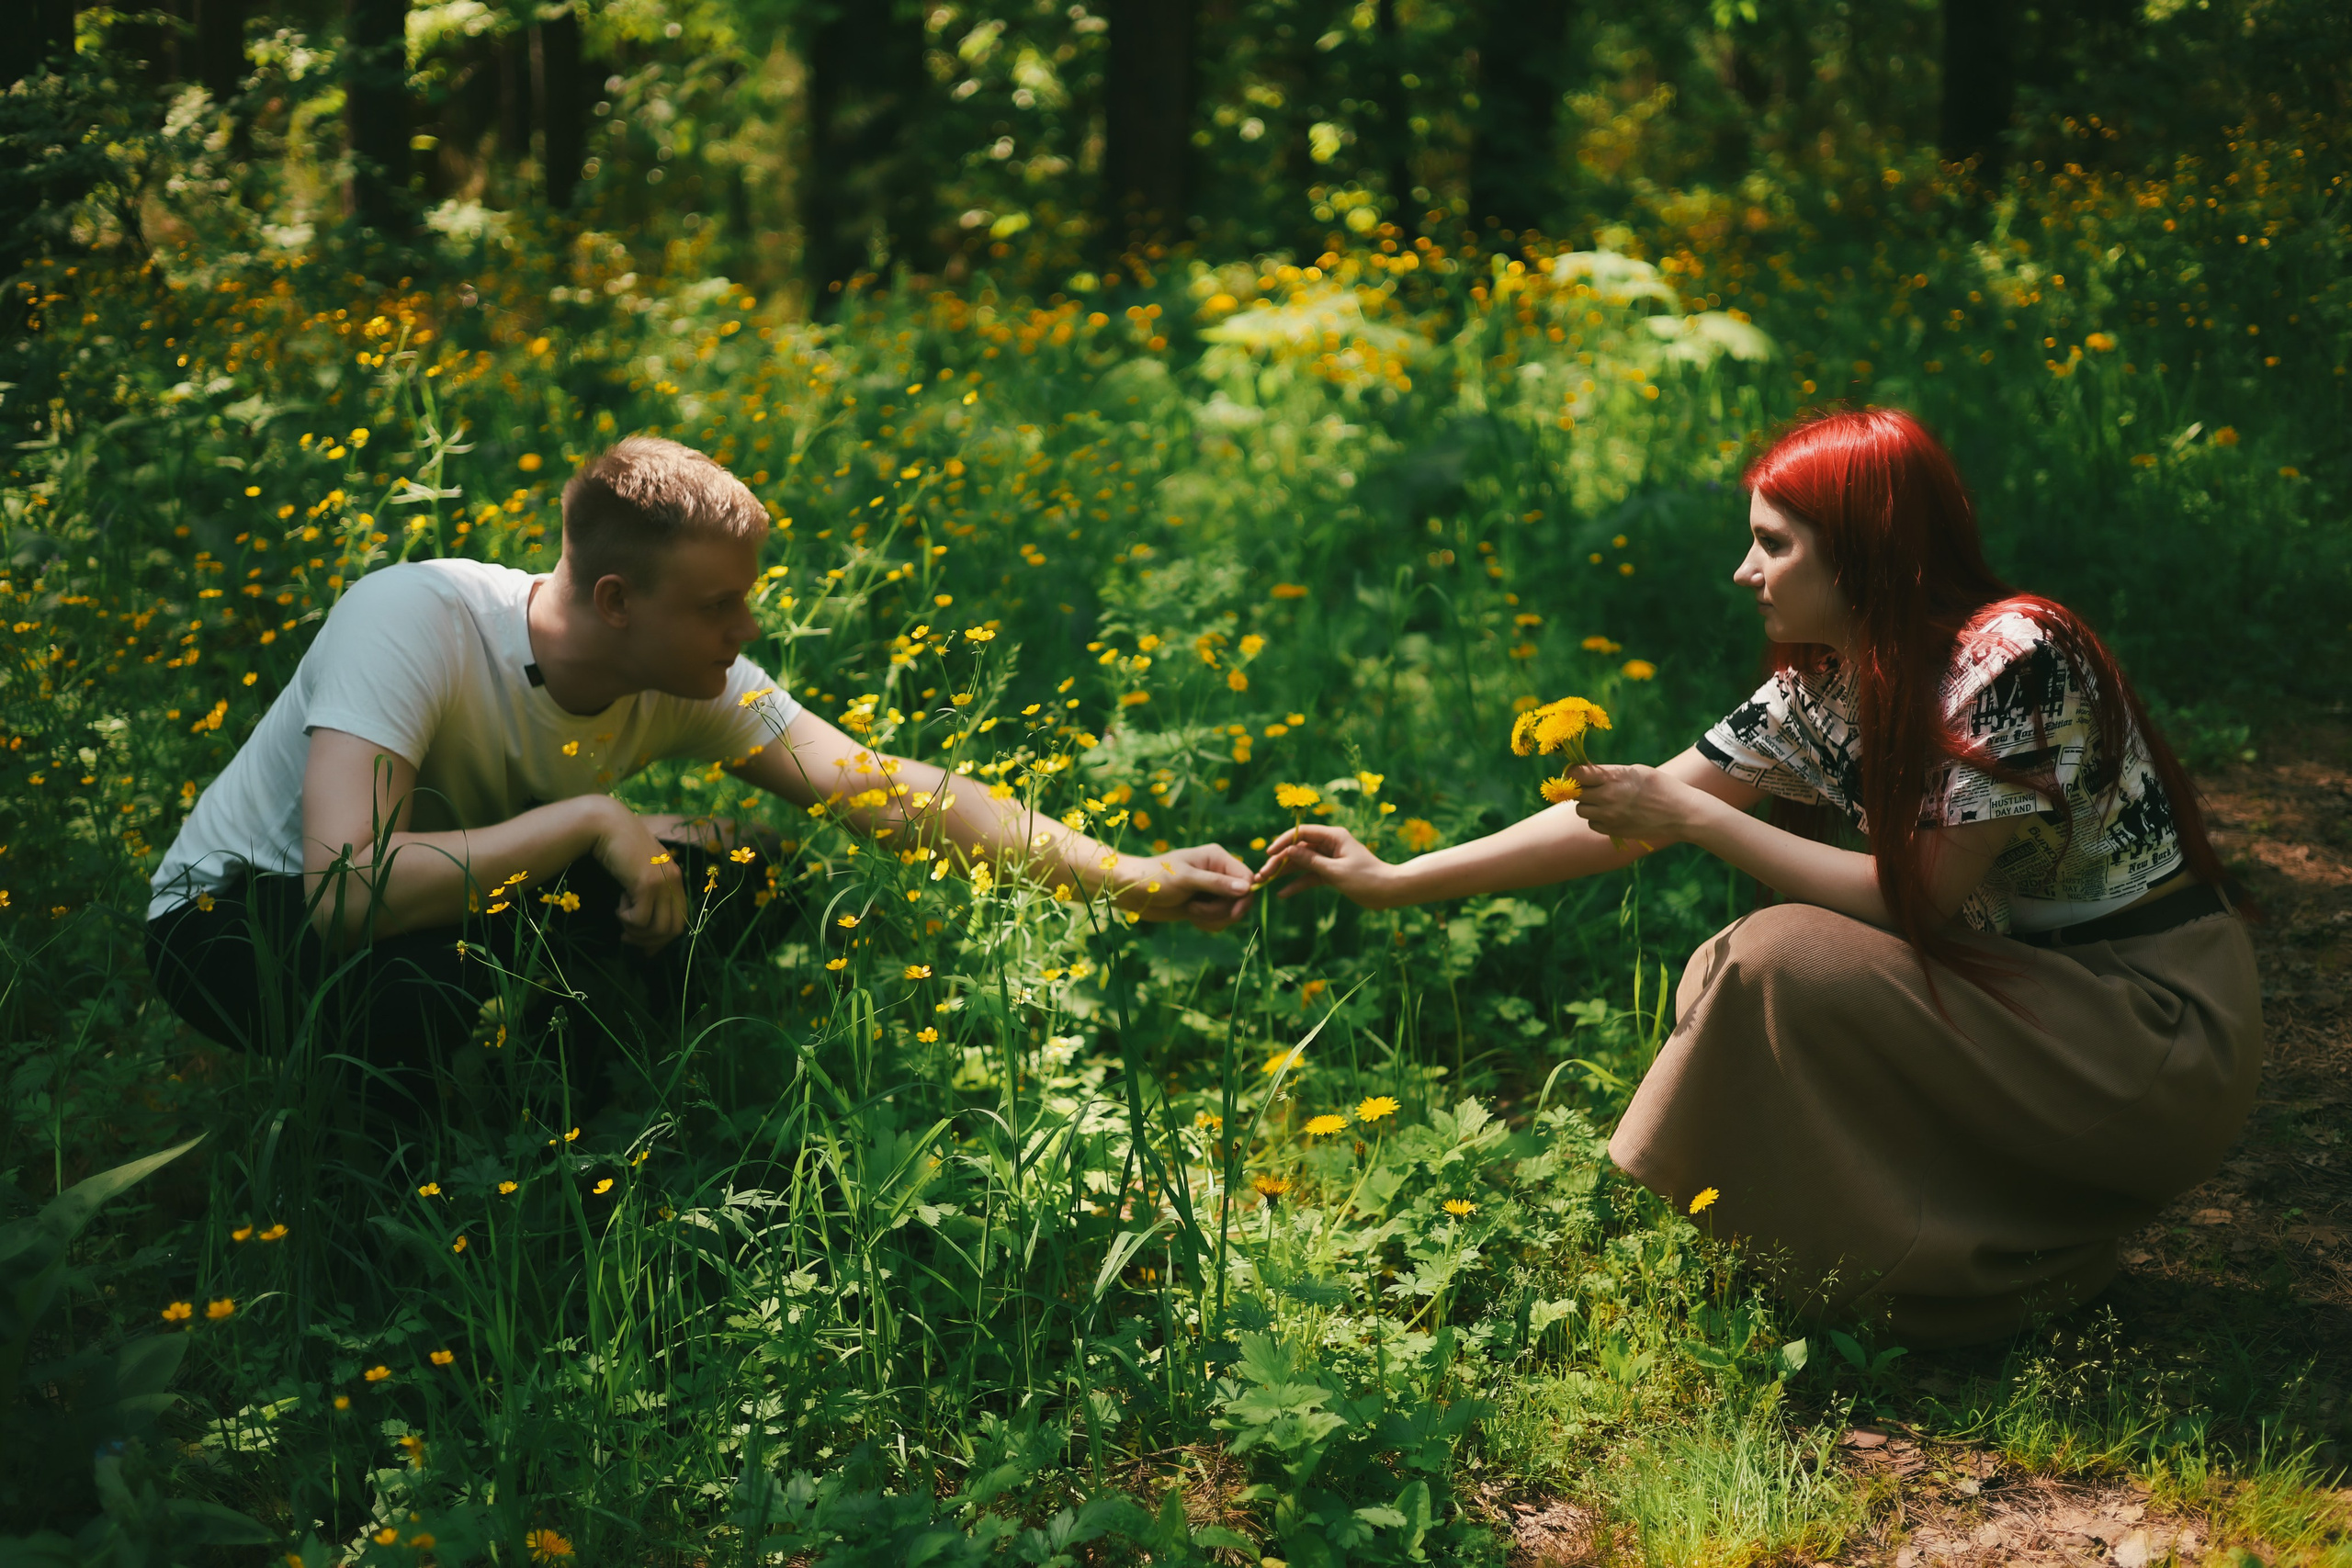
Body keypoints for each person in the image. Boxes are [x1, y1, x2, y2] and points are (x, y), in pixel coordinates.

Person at [1257, 408, 2260, 1346]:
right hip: (2038, 1014)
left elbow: (1910, 898)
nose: (1745, 572)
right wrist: (1393, 877)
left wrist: (1694, 818)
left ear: (1864, 548)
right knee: (1727, 975)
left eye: (1773, 544)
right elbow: (1619, 822)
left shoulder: (2013, 657)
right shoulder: (1822, 684)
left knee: (1774, 957)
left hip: (2149, 1036)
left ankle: (1944, 1272)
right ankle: (1958, 1267)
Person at [146, 436, 1257, 1100]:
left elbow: (883, 789)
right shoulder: (413, 617)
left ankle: (594, 1094)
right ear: (618, 601)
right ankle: (381, 1186)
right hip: (234, 922)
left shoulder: (694, 674)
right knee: (420, 986)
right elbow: (346, 889)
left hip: (440, 897)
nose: (747, 625)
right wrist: (592, 820)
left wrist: (1127, 878)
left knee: (748, 875)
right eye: (720, 602)